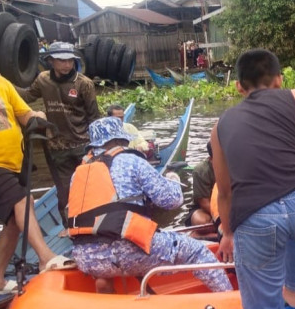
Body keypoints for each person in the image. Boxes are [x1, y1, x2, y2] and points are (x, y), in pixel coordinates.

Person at [211, 49, 295, 309]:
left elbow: (225, 193)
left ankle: (279, 298)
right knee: (294, 223)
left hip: (259, 219)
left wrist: (229, 233)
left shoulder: (220, 125)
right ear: (280, 80)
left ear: (238, 87)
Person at [67, 117, 231, 294]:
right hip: (124, 252)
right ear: (120, 140)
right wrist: (173, 178)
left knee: (104, 272)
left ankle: (109, 304)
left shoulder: (78, 173)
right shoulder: (131, 160)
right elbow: (172, 200)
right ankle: (229, 301)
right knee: (197, 251)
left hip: (85, 257)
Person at [0, 36, 76, 296]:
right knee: (23, 202)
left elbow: (23, 113)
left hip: (16, 163)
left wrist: (37, 118)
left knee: (14, 223)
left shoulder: (1, 83)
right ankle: (45, 256)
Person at [16, 42, 100, 223]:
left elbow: (94, 118)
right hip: (56, 146)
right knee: (64, 191)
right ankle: (69, 225)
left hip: (82, 145)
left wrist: (96, 147)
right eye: (61, 60)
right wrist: (3, 82)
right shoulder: (43, 80)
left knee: (89, 186)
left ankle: (94, 221)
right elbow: (27, 96)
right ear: (50, 60)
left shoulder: (84, 84)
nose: (67, 65)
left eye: (70, 60)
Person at [183, 141, 216, 234]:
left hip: (228, 207)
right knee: (201, 223)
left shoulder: (233, 166)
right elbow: (204, 204)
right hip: (206, 209)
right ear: (211, 159)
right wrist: (221, 218)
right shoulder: (201, 171)